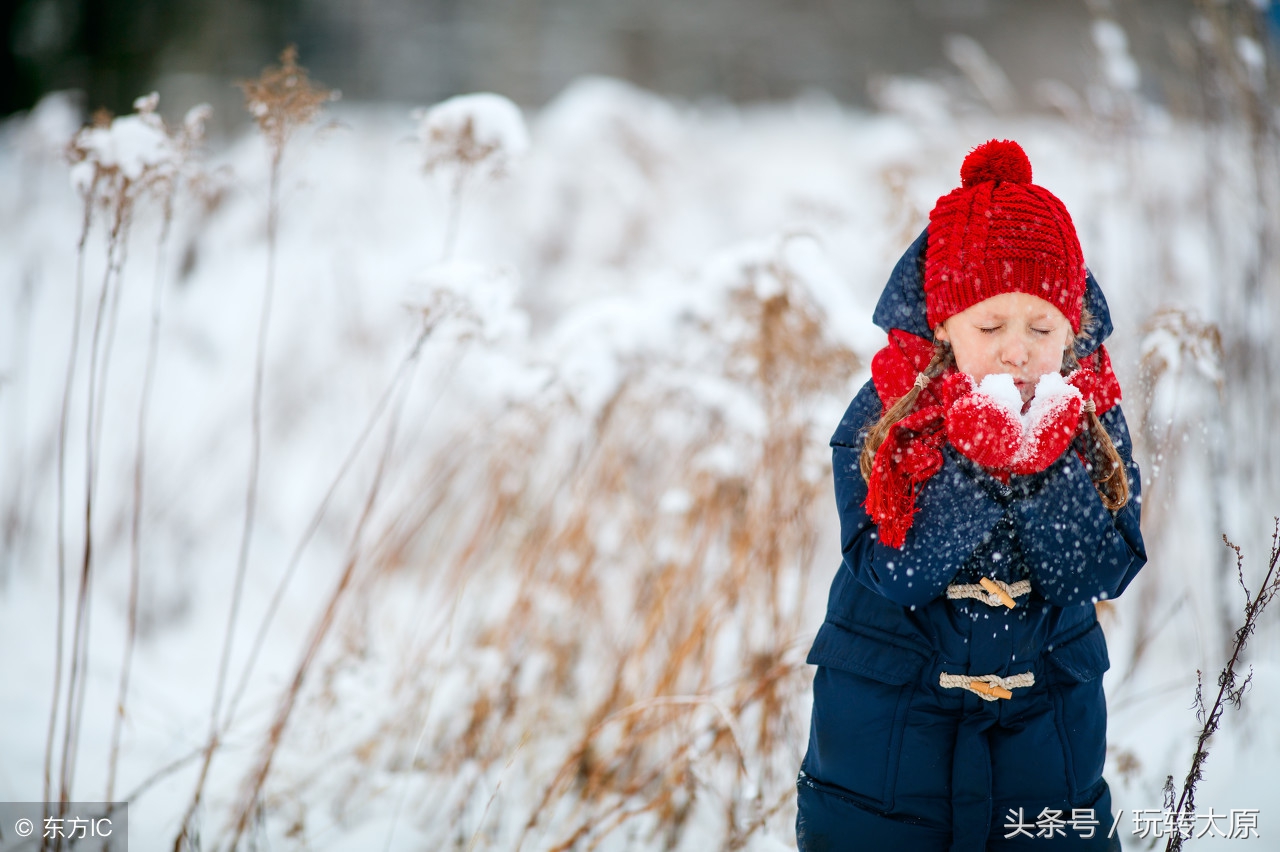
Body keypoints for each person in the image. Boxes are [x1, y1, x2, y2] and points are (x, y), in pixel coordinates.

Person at [795, 139, 1147, 851]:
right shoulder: (887, 415)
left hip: (1043, 740)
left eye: (1041, 328)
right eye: (990, 326)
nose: (1017, 349)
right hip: (888, 749)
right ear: (944, 324)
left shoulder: (1087, 414)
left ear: (1070, 330)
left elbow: (1105, 565)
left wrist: (1042, 464)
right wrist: (978, 468)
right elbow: (891, 569)